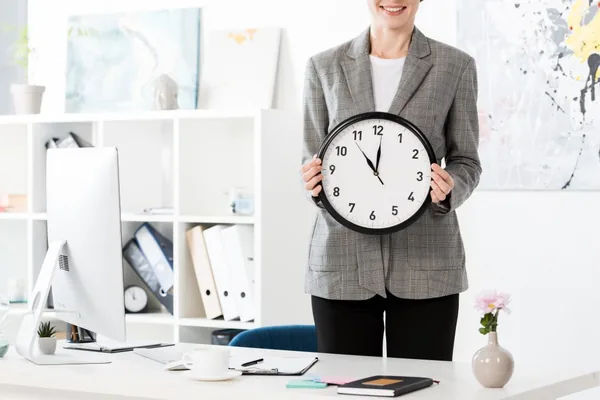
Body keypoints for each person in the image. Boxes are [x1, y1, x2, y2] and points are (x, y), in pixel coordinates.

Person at [300, 0, 482, 362]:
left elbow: (467, 161)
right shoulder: (323, 67)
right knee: (345, 387)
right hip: (341, 260)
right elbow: (311, 157)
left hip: (428, 261)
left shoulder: (455, 66)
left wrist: (450, 187)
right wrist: (311, 181)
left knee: (423, 388)